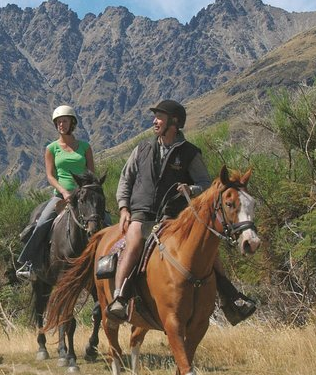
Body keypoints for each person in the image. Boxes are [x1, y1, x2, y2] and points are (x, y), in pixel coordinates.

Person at [106, 99, 256, 324]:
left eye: (160, 117)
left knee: (210, 254)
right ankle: (120, 298)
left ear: (174, 122)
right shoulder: (142, 149)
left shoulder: (190, 153)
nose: (155, 121)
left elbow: (206, 184)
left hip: (175, 217)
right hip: (142, 213)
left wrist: (191, 188)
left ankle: (231, 298)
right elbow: (126, 179)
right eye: (155, 117)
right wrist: (123, 208)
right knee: (134, 242)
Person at [15, 105, 95, 280]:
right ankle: (29, 263)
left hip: (83, 196)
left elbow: (91, 174)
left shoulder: (85, 147)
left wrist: (85, 192)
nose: (61, 124)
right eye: (58, 122)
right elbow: (50, 176)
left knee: (104, 219)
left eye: (64, 121)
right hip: (61, 195)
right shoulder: (51, 148)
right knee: (42, 221)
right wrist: (64, 192)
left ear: (72, 123)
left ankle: (109, 258)